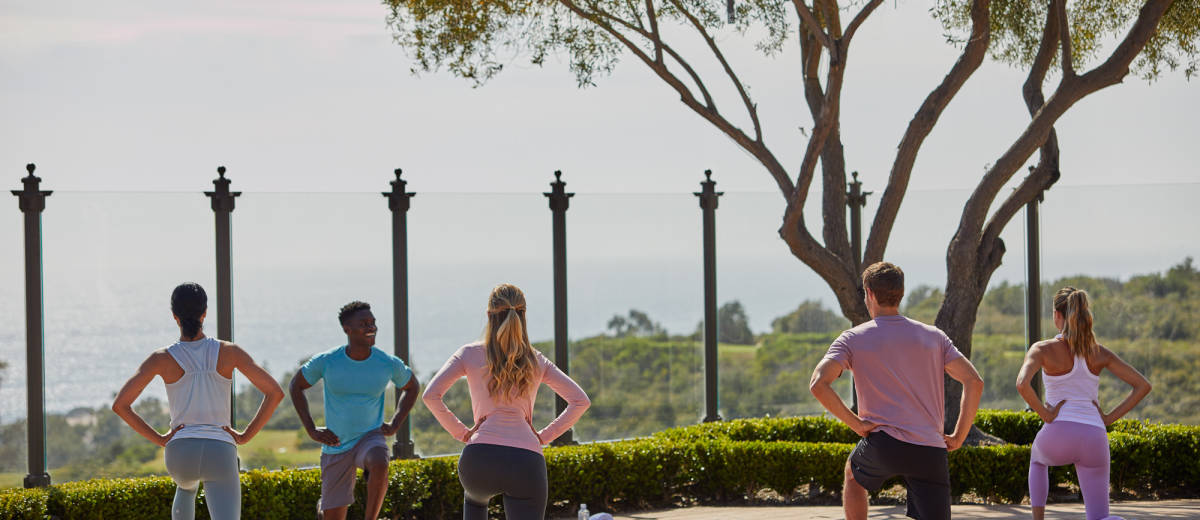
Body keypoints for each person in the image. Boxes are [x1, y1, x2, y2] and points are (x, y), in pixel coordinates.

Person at [809, 262, 984, 520]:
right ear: (900, 293)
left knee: (853, 474)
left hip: (884, 445)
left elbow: (818, 384)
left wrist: (857, 424)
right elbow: (974, 381)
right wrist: (958, 436)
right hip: (930, 449)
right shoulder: (934, 337)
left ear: (869, 293)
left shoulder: (852, 339)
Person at [112, 282, 284, 520]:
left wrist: (161, 439)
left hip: (180, 453)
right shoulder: (229, 352)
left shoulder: (161, 358)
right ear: (204, 313)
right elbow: (275, 393)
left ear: (175, 316)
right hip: (220, 451)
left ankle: (185, 486)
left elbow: (120, 405)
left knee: (186, 486)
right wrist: (245, 436)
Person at [422, 283, 590, 520]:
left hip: (478, 460)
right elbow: (580, 401)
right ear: (523, 316)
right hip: (525, 462)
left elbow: (430, 395)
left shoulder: (468, 353)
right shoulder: (537, 360)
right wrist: (544, 436)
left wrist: (462, 433)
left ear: (489, 315)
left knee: (475, 501)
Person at [1017, 287, 1151, 520]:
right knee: (1099, 517)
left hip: (1058, 434)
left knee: (1037, 460)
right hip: (1094, 438)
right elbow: (1143, 385)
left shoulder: (1042, 349)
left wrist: (1046, 415)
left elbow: (1022, 384)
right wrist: (1108, 418)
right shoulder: (1099, 352)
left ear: (1058, 315)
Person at [290, 301, 420, 520]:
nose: (371, 327)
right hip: (336, 444)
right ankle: (324, 510)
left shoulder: (386, 362)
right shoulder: (328, 361)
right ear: (347, 329)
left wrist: (396, 423)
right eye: (364, 323)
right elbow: (296, 385)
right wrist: (311, 430)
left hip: (370, 437)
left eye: (373, 322)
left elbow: (412, 386)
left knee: (380, 461)